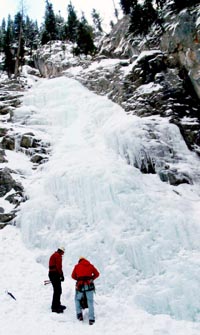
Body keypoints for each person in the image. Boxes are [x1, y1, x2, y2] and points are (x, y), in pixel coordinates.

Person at [71, 257, 100, 325]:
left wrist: (79, 279)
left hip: (80, 286)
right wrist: (92, 278)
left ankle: (79, 315)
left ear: (79, 261)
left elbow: (72, 276)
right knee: (90, 301)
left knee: (77, 299)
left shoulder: (77, 266)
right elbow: (97, 274)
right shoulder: (90, 265)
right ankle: (91, 319)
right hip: (89, 285)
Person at [48, 247, 66, 313]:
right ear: (61, 251)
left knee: (57, 291)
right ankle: (55, 307)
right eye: (63, 253)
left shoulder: (54, 255)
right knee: (57, 291)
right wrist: (61, 275)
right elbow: (59, 266)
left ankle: (57, 305)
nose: (63, 254)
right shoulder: (58, 256)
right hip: (55, 274)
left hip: (52, 274)